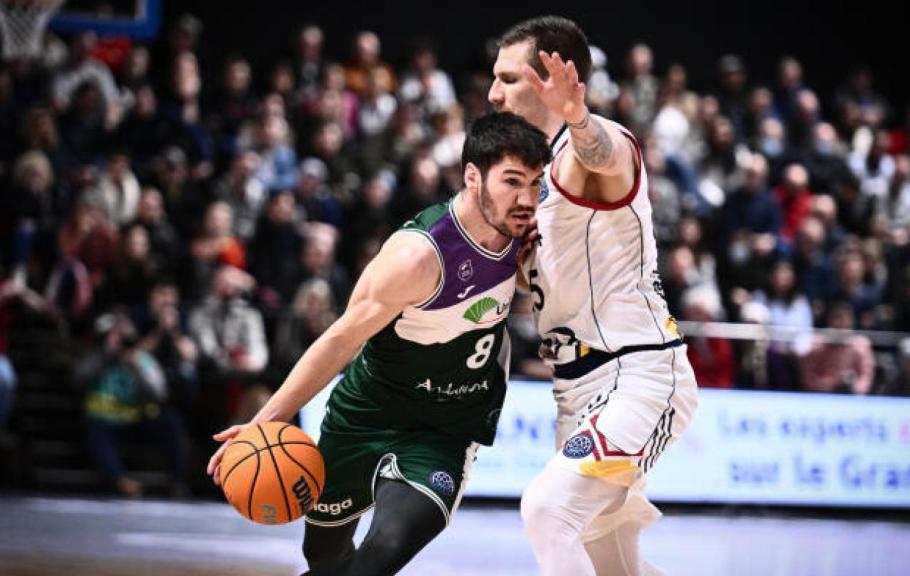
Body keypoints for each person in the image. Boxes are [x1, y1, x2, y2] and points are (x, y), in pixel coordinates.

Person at [206, 112, 550, 575]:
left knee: (383, 552)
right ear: (473, 176)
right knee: (323, 560)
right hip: (368, 412)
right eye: (512, 181)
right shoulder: (417, 256)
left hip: (445, 427)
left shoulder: (526, 237)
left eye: (535, 183)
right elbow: (340, 339)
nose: (527, 198)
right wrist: (263, 421)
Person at [489, 16, 699, 576]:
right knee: (610, 562)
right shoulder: (535, 184)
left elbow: (607, 157)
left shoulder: (593, 147)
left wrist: (577, 114)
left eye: (508, 78)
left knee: (547, 510)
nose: (493, 94)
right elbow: (549, 292)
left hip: (638, 378)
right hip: (575, 393)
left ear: (551, 79)